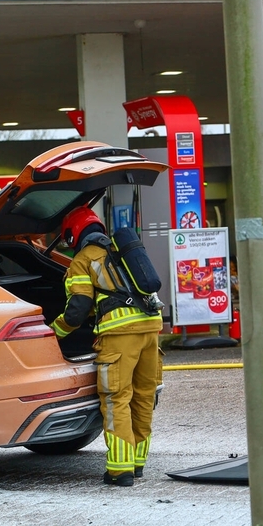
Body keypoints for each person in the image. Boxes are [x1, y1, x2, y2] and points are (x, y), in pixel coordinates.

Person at [49, 205, 162, 487]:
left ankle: (119, 470)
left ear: (73, 234)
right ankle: (136, 463)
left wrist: (54, 333)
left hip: (119, 334)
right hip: (151, 328)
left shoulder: (83, 259)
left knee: (116, 398)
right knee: (143, 396)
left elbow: (78, 308)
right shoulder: (122, 251)